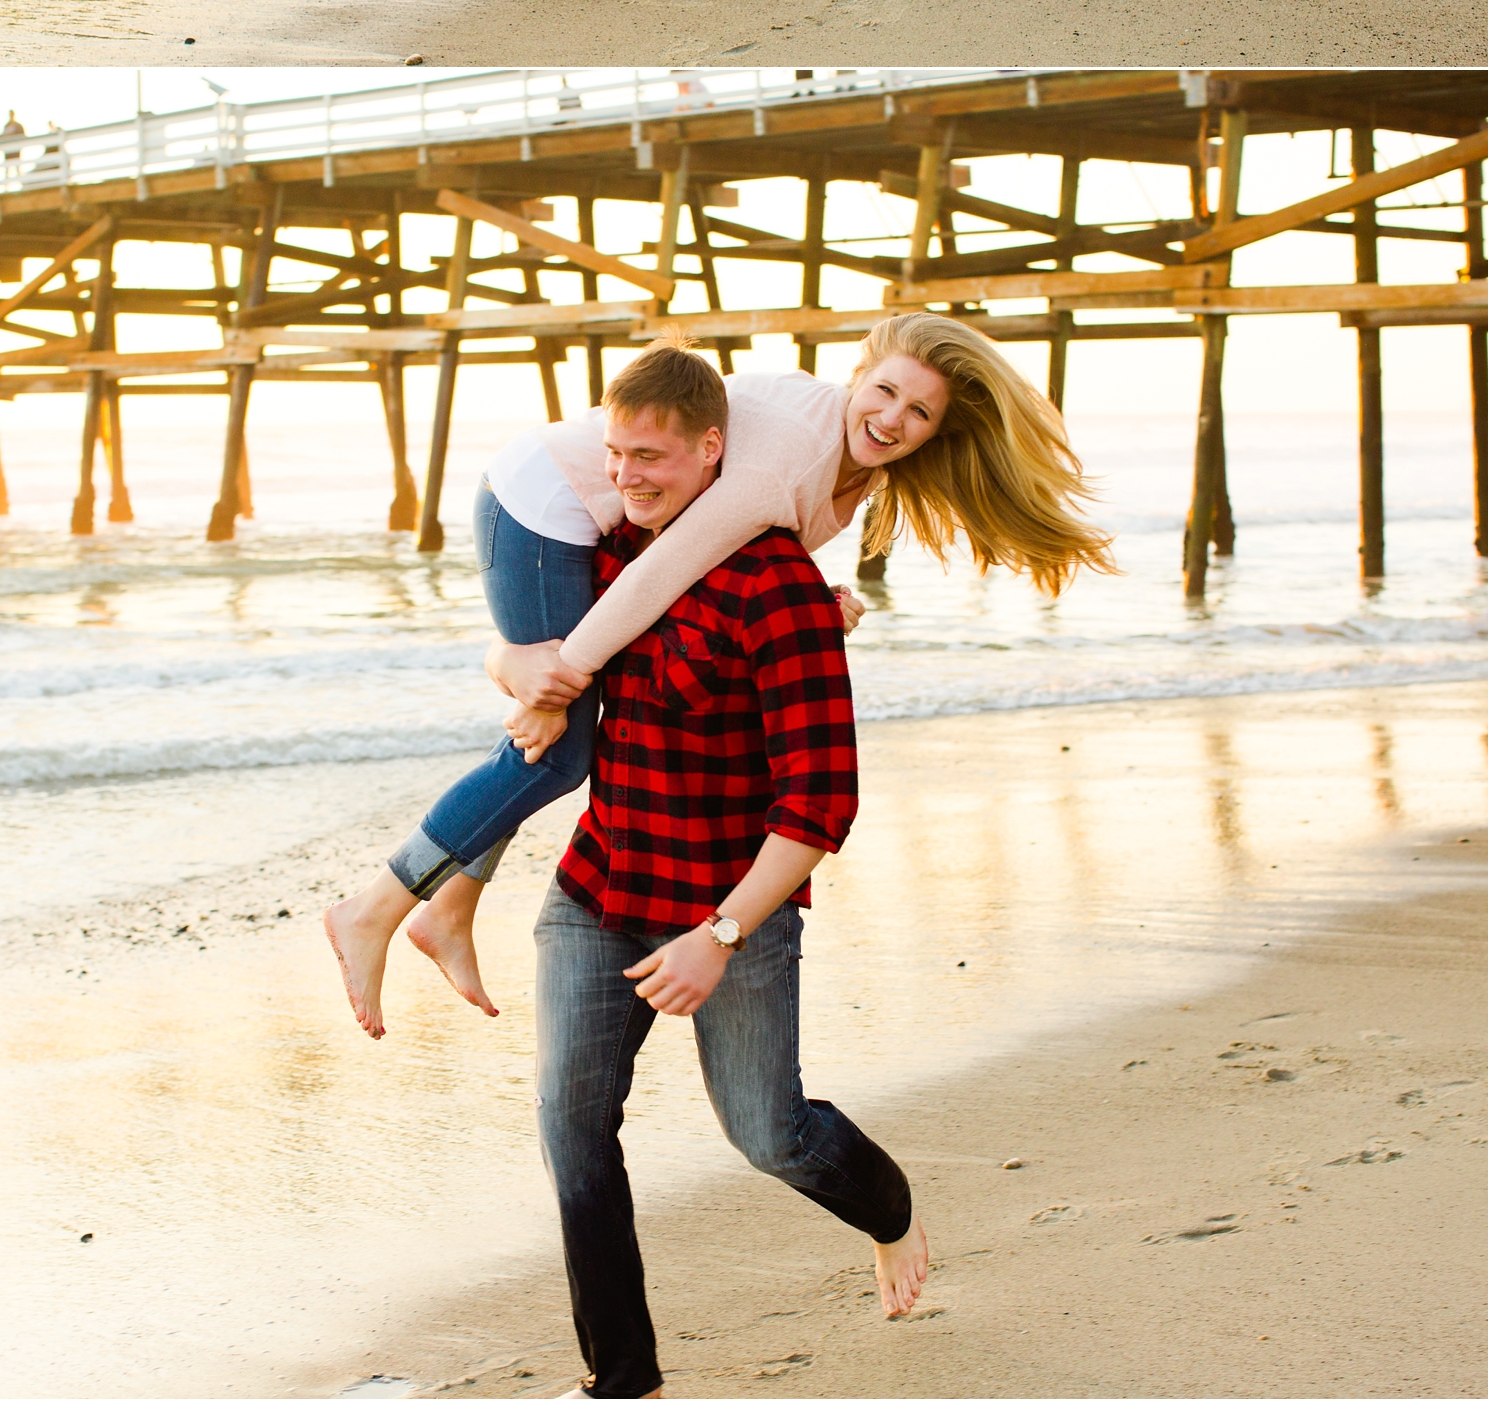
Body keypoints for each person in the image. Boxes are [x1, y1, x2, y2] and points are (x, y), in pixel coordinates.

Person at [323, 316, 1110, 1038]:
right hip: (542, 504)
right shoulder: (791, 454)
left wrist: (806, 599)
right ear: (858, 374)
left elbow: (743, 554)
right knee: (560, 752)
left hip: (601, 524)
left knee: (563, 742)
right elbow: (657, 574)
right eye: (885, 391)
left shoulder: (856, 464)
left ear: (938, 431)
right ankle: (376, 907)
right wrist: (555, 675)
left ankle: (450, 903)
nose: (893, 418)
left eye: (919, 413)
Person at [533, 345, 927, 1395]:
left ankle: (887, 1213)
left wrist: (718, 938)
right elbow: (525, 662)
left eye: (652, 458)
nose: (629, 477)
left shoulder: (783, 590)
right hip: (597, 889)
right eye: (617, 456)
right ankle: (622, 1379)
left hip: (727, 908)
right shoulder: (614, 554)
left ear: (715, 454)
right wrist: (510, 667)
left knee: (769, 1134)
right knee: (573, 1135)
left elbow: (819, 799)